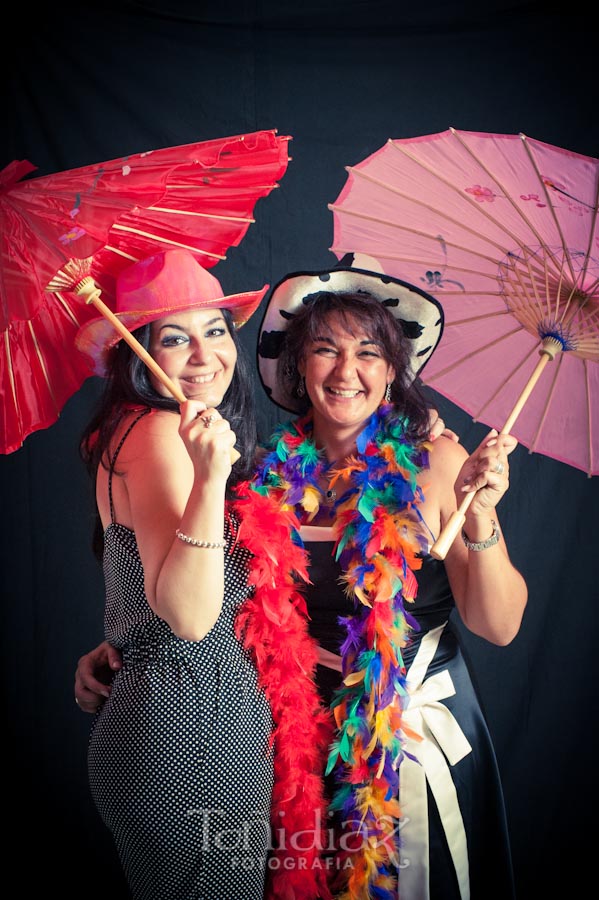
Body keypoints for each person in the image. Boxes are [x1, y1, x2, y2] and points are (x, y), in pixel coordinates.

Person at [77, 251, 526, 898]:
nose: (347, 372)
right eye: (325, 350)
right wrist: (125, 646)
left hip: (406, 748)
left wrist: (479, 514)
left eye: (369, 352)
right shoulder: (261, 478)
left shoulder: (435, 462)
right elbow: (217, 591)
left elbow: (499, 624)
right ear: (296, 366)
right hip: (289, 750)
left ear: (394, 368)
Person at [71, 248, 333, 900]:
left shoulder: (131, 428)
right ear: (138, 353)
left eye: (214, 330)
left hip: (173, 713)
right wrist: (211, 476)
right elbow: (189, 619)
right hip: (193, 735)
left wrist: (120, 645)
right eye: (173, 337)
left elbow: (149, 589)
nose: (204, 354)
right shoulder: (162, 435)